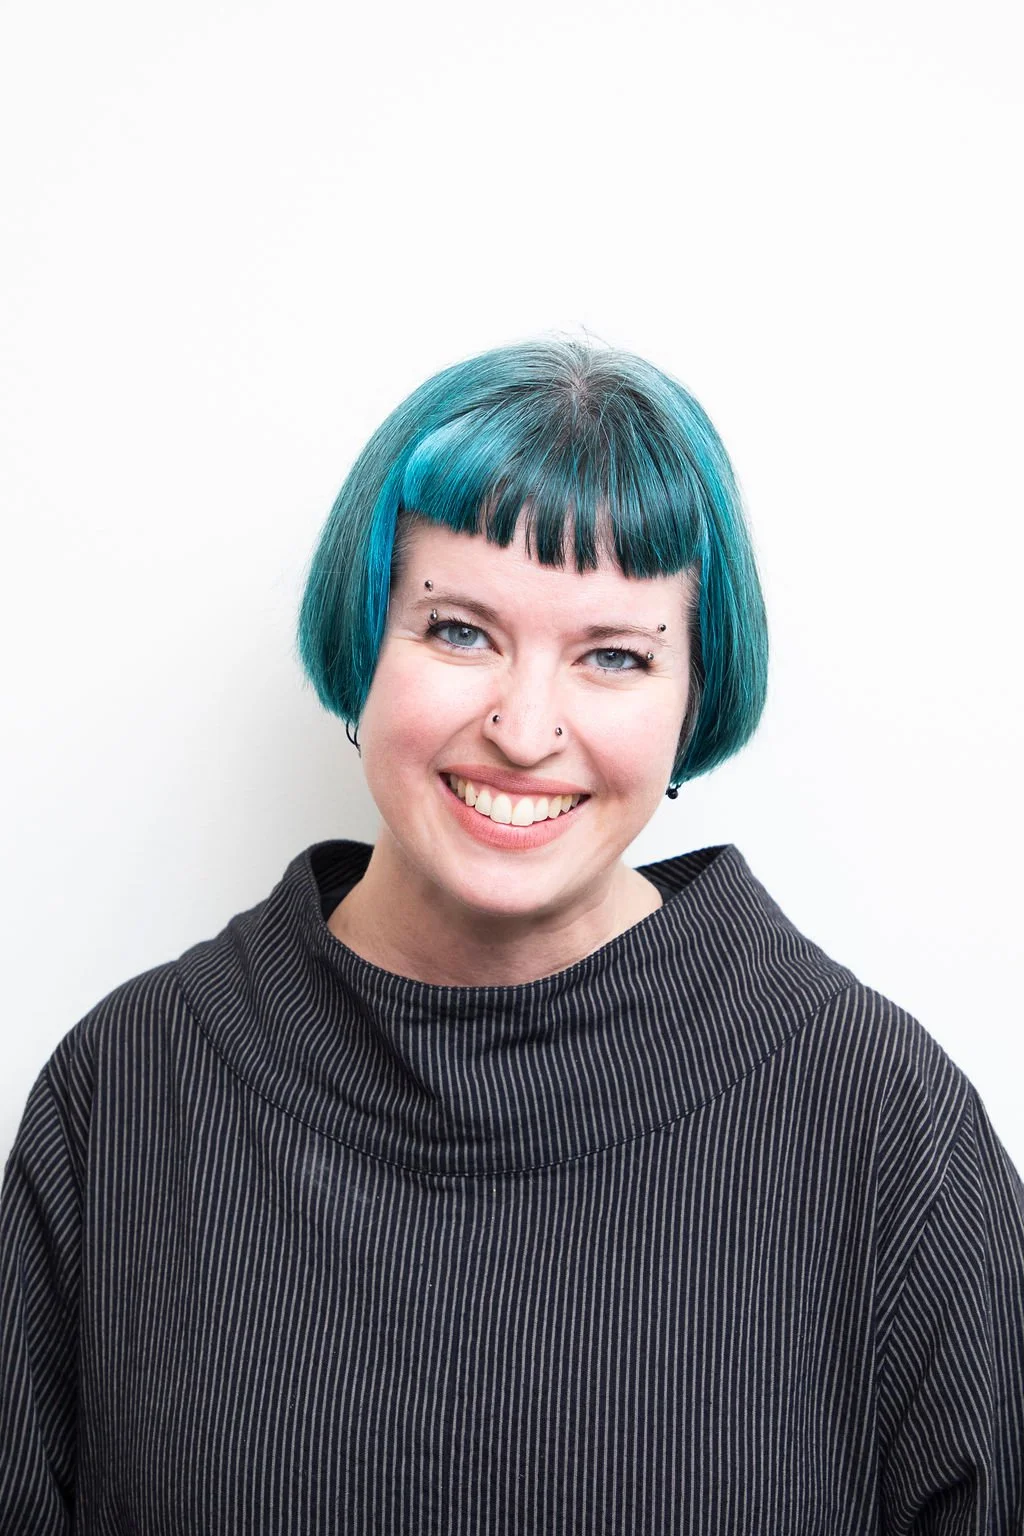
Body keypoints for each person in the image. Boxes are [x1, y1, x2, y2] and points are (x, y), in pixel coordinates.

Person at [1, 337, 1021, 1535]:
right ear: (362, 640)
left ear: (695, 696)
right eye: (459, 632)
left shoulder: (885, 1126)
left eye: (613, 656)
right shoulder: (125, 1090)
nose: (526, 730)